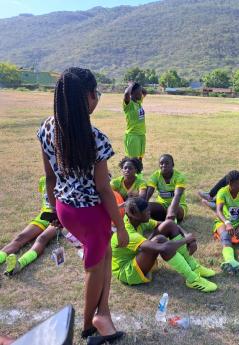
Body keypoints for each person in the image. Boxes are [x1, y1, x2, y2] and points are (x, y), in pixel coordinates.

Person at [37, 67, 129, 343]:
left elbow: (50, 177)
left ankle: (104, 309)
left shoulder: (47, 127)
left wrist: (53, 209)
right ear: (87, 98)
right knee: (94, 266)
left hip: (66, 209)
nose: (97, 98)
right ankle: (91, 325)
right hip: (91, 215)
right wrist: (121, 226)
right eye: (96, 93)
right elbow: (102, 189)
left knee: (102, 257)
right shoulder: (96, 139)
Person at [112, 197, 217, 292]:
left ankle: (194, 267)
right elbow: (163, 248)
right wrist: (185, 240)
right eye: (146, 211)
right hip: (128, 272)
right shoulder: (128, 233)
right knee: (160, 240)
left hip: (136, 255)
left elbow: (169, 224)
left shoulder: (134, 219)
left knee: (168, 224)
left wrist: (187, 236)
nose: (149, 212)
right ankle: (192, 279)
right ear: (135, 214)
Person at [1, 176, 60, 276]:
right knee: (20, 237)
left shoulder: (66, 180)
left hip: (59, 219)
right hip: (43, 216)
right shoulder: (43, 180)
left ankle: (18, 265)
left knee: (42, 238)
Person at [146, 154, 187, 222]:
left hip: (178, 206)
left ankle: (169, 221)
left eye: (167, 163)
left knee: (174, 210)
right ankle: (165, 220)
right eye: (161, 163)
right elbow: (149, 191)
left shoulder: (179, 177)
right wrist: (143, 207)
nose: (164, 165)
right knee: (147, 207)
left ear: (172, 165)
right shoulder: (155, 175)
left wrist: (172, 210)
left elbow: (177, 195)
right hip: (162, 205)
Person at [123, 82, 147, 161]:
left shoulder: (138, 102)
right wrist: (131, 85)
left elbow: (145, 92)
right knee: (133, 162)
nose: (141, 93)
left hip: (141, 135)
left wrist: (138, 85)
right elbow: (126, 93)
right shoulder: (129, 105)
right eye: (139, 92)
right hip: (133, 136)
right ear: (133, 93)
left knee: (140, 159)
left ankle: (140, 173)